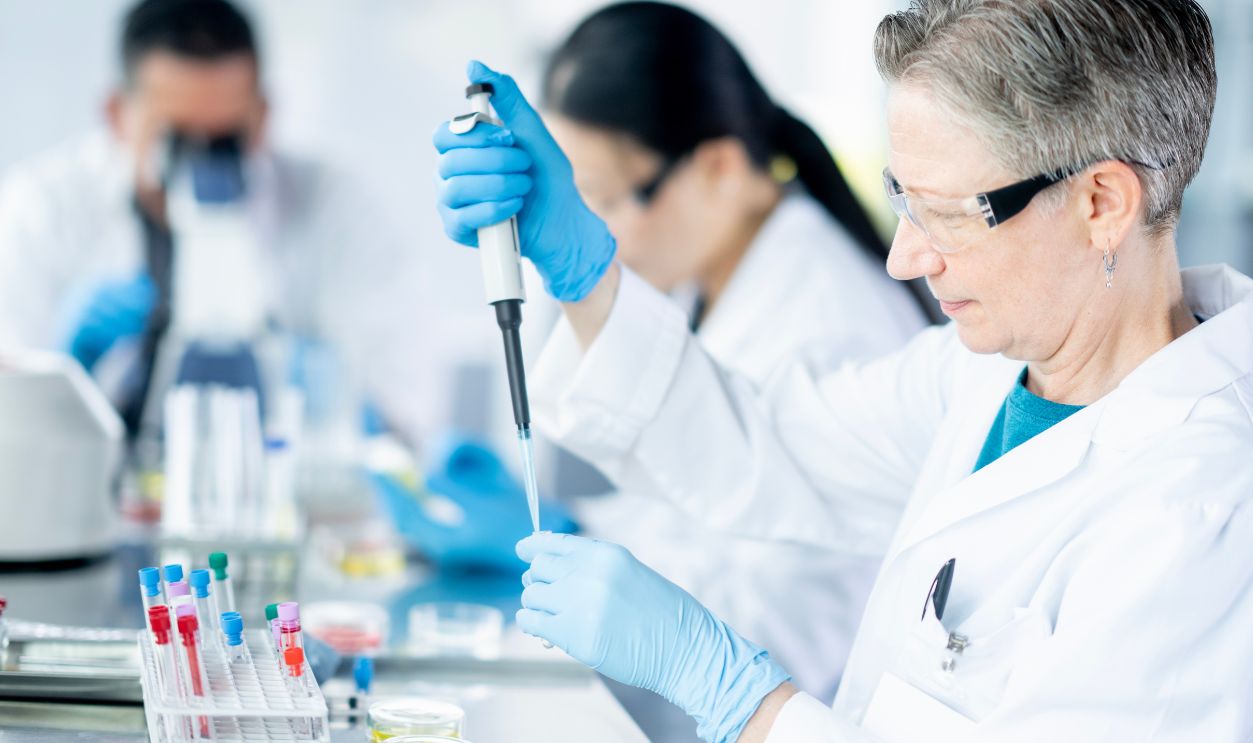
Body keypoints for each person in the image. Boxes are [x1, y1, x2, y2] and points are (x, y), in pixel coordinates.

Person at [432, 0, 1253, 740]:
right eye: (902, 199)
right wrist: (582, 265)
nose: (901, 258)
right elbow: (763, 444)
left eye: (942, 214)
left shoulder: (1199, 514)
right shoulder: (974, 374)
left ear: (1101, 203)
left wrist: (732, 693)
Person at [419, 3, 927, 726]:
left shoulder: (828, 317)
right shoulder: (709, 269)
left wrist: (588, 563)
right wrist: (569, 529)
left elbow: (794, 629)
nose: (591, 226)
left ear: (717, 166)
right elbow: (702, 475)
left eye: (601, 199)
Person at [0, 0, 429, 442]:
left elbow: (402, 411)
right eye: (176, 140)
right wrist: (62, 374)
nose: (201, 161)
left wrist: (335, 391)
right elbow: (8, 419)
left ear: (262, 116)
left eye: (226, 141)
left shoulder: (335, 207)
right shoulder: (44, 208)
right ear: (117, 114)